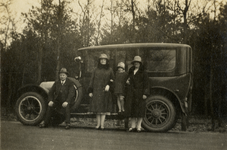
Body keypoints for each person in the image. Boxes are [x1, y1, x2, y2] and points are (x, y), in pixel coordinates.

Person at [88, 54, 114, 130]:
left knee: (104, 109)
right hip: (97, 91)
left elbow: (112, 79)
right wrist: (90, 90)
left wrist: (109, 85)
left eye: (104, 59)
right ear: (99, 61)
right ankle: (98, 124)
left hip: (105, 92)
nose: (103, 61)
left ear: (107, 61)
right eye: (101, 59)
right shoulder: (95, 69)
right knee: (98, 109)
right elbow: (91, 80)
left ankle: (102, 125)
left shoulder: (110, 70)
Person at [124, 56, 149, 132]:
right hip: (131, 93)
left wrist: (145, 93)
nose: (136, 64)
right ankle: (133, 126)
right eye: (135, 62)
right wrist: (127, 82)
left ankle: (138, 126)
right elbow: (128, 80)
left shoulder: (144, 73)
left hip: (139, 94)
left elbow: (147, 84)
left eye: (138, 62)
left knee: (140, 111)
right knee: (132, 110)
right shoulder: (131, 71)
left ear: (140, 64)